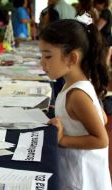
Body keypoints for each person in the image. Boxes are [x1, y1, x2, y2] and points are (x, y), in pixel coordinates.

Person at [38, 14, 111, 190]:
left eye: (48, 56)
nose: (42, 63)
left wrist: (63, 138)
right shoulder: (78, 84)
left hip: (82, 179)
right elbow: (103, 119)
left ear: (72, 58)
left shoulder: (77, 95)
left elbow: (102, 140)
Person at [94, 0, 112, 67]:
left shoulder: (105, 12)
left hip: (105, 41)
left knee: (102, 63)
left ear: (103, 3)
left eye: (96, 4)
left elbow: (97, 28)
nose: (95, 6)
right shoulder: (106, 12)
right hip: (106, 41)